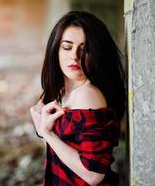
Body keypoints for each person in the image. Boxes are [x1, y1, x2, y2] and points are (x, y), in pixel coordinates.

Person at [30, 11, 126, 186]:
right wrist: (42, 128)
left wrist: (47, 133)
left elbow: (93, 174)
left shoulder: (88, 95)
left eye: (85, 49)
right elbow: (63, 152)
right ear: (55, 49)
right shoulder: (60, 91)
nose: (75, 56)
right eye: (67, 47)